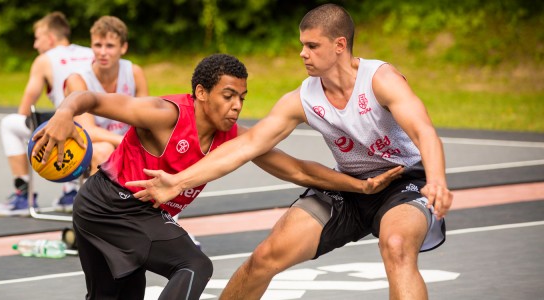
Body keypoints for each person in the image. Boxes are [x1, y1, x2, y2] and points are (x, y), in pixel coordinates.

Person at [131, 4, 454, 299]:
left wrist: (437, 180)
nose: (303, 53)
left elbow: (423, 130)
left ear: (339, 45)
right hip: (349, 186)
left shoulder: (380, 80)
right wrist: (178, 181)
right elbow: (246, 145)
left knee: (396, 246)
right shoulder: (304, 98)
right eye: (302, 45)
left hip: (404, 183)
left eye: (312, 46)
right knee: (264, 258)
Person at [31, 53, 403, 299]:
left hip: (128, 213)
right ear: (201, 93)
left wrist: (359, 185)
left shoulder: (234, 138)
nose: (237, 105)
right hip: (110, 205)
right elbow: (91, 100)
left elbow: (296, 169)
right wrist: (64, 113)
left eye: (242, 96)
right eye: (228, 95)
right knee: (194, 265)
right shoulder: (166, 115)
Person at [0, 12, 93, 216]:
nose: (35, 45)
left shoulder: (44, 60)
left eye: (37, 38)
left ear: (50, 38)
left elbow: (26, 106)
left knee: (10, 124)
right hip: (102, 123)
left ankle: (23, 195)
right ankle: (72, 191)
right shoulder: (92, 52)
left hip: (70, 127)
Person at [58, 15, 149, 213]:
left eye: (110, 46)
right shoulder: (78, 80)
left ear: (123, 47)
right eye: (97, 45)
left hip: (126, 144)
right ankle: (106, 218)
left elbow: (146, 120)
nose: (102, 52)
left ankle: (164, 222)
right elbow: (88, 131)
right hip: (88, 146)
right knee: (104, 149)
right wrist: (127, 142)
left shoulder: (134, 72)